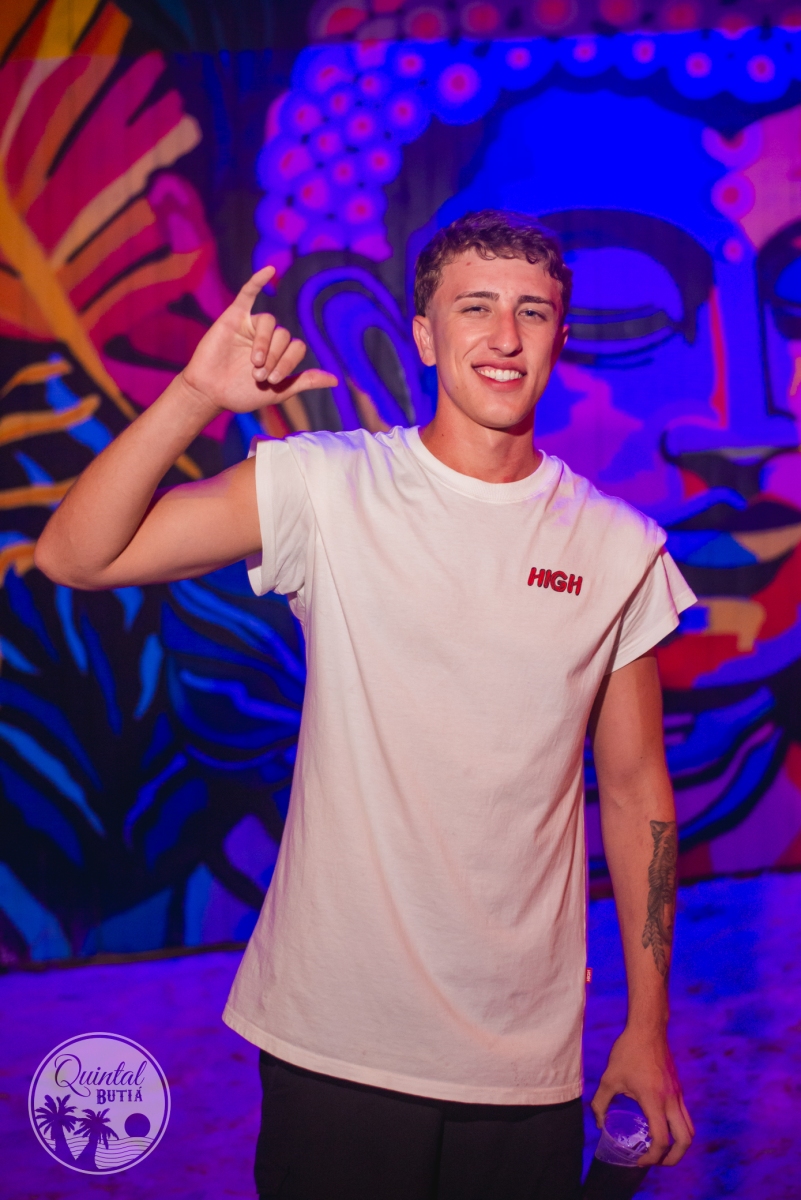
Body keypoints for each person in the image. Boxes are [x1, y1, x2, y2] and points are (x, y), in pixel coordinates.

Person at [36, 210, 696, 1199]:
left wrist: (648, 1028)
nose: (504, 336)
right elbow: (75, 556)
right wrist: (193, 396)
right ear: (424, 335)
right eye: (474, 308)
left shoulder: (617, 547)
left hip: (523, 1059)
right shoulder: (329, 486)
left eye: (532, 312)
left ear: (561, 336)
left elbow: (639, 793)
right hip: (334, 1036)